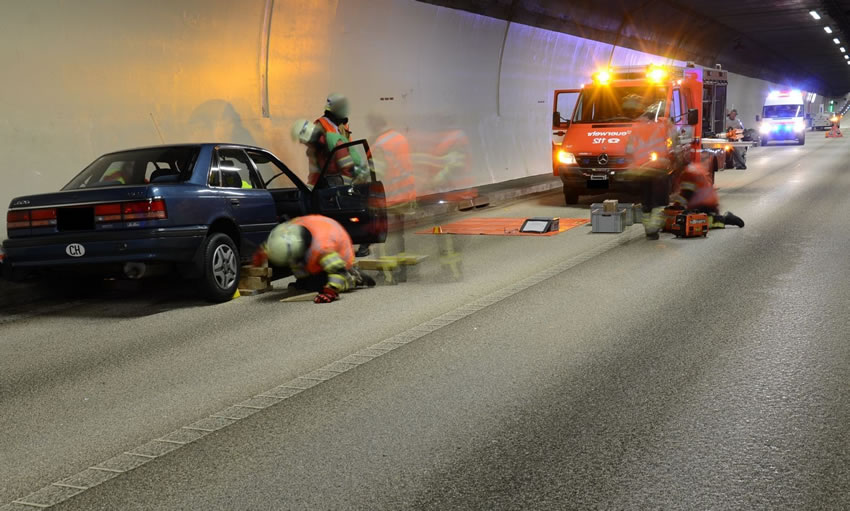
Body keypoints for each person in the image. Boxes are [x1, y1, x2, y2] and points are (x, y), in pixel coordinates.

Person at [253, 215, 374, 304]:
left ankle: (355, 278)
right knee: (306, 281)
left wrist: (331, 290)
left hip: (340, 253)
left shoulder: (323, 248)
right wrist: (263, 254)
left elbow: (338, 271)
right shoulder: (288, 232)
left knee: (321, 285)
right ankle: (307, 280)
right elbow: (278, 243)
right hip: (318, 229)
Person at [669, 162, 744, 229]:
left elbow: (685, 194)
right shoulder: (691, 170)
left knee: (700, 223)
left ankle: (727, 218)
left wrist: (676, 206)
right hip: (706, 202)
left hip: (704, 204)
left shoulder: (687, 175)